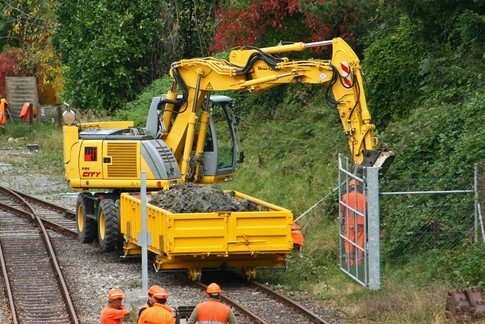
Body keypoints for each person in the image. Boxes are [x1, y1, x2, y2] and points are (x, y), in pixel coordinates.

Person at [340, 179, 368, 265]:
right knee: (360, 240)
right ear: (358, 187)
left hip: (349, 222)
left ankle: (349, 261)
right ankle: (360, 260)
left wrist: (342, 219)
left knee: (349, 241)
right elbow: (367, 211)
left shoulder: (345, 197)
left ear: (349, 187)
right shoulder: (365, 197)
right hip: (361, 222)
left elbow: (342, 210)